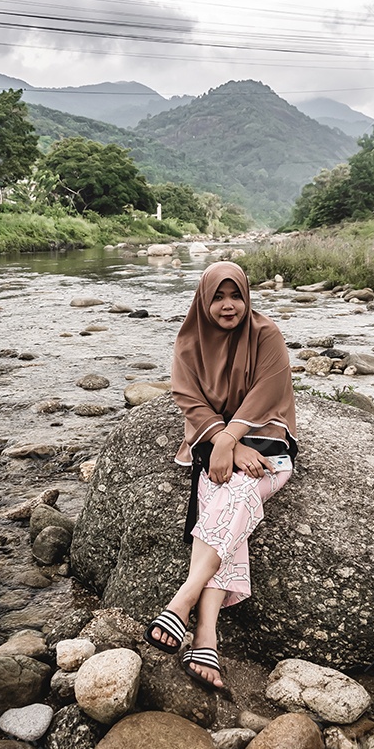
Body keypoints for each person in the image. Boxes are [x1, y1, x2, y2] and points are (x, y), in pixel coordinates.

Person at [144, 260, 297, 693]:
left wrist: (233, 439)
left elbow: (269, 388)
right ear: (203, 300)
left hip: (265, 437)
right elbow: (187, 398)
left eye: (236, 296)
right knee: (227, 499)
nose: (228, 306)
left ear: (247, 297)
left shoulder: (265, 334)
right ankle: (206, 637)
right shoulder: (189, 342)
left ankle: (184, 600)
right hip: (214, 438)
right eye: (218, 296)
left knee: (238, 488)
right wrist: (227, 442)